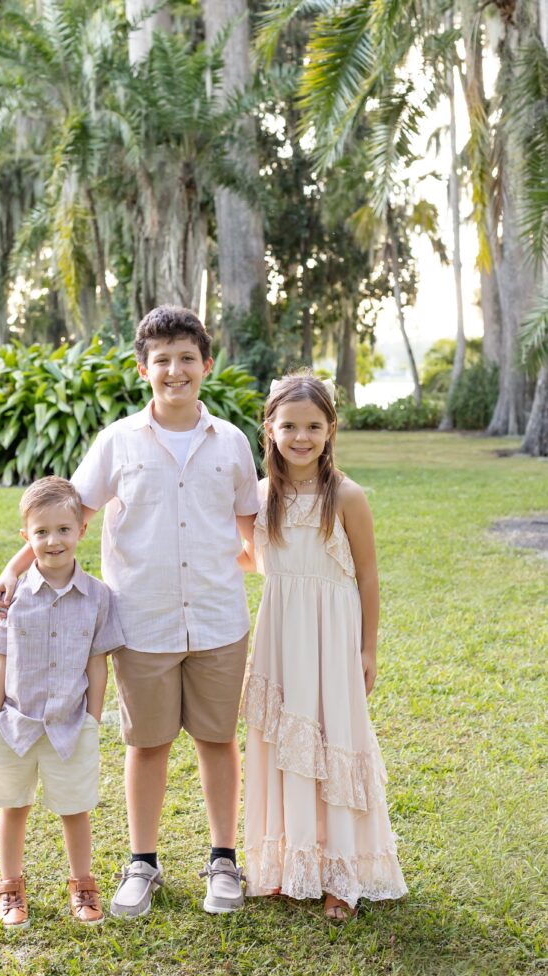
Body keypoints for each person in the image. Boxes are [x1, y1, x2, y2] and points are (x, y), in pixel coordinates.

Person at [0, 306, 260, 918]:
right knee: (148, 743)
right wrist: (13, 570)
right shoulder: (118, 443)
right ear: (144, 369)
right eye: (161, 360)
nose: (174, 370)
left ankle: (223, 860)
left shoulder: (234, 444)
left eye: (186, 358)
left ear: (206, 365)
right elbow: (67, 516)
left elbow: (251, 537)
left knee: (218, 740)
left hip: (219, 620)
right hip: (142, 623)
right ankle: (144, 864)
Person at [239, 373, 407, 920]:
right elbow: (253, 558)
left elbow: (368, 574)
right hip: (281, 635)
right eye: (289, 425)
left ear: (331, 428)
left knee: (335, 744)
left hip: (333, 638)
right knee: (284, 746)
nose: (301, 436)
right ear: (270, 428)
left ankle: (342, 875)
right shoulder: (262, 497)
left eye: (313, 425)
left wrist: (368, 649)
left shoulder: (348, 497)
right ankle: (291, 865)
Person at [0, 476, 125, 930]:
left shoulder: (99, 597)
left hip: (70, 723)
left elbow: (98, 665)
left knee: (74, 808)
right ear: (26, 538)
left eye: (63, 529)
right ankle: (10, 885)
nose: (53, 540)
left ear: (82, 530)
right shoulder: (12, 595)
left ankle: (82, 884)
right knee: (13, 805)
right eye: (41, 532)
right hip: (15, 722)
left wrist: (92, 721)